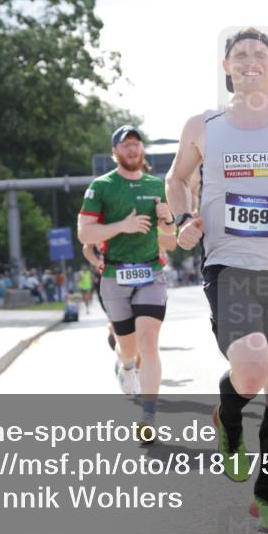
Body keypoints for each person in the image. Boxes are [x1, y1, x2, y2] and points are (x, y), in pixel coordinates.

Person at [166, 27, 268, 533]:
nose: (250, 61)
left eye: (260, 54)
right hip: (230, 265)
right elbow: (176, 180)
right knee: (253, 368)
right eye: (240, 55)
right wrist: (183, 220)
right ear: (227, 67)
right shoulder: (204, 124)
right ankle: (231, 413)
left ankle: (266, 492)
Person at [79, 125, 177, 443]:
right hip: (115, 276)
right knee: (129, 347)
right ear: (115, 153)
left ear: (142, 150)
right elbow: (86, 234)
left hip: (151, 273)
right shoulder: (101, 187)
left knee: (149, 344)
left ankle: (148, 417)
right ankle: (125, 366)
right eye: (126, 146)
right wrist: (123, 225)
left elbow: (171, 243)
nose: (133, 150)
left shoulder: (155, 185)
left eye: (137, 144)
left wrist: (168, 220)